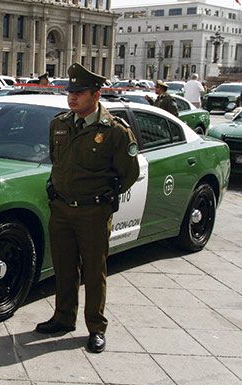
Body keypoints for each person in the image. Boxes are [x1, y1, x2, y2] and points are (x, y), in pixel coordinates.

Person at [37, 62, 140, 354]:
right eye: (70, 92)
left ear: (96, 95)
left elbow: (128, 173)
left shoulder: (114, 132)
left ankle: (96, 327)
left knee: (94, 272)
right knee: (64, 267)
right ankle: (63, 317)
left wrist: (104, 196)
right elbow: (57, 162)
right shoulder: (59, 124)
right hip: (61, 210)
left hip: (93, 212)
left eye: (79, 92)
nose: (72, 97)